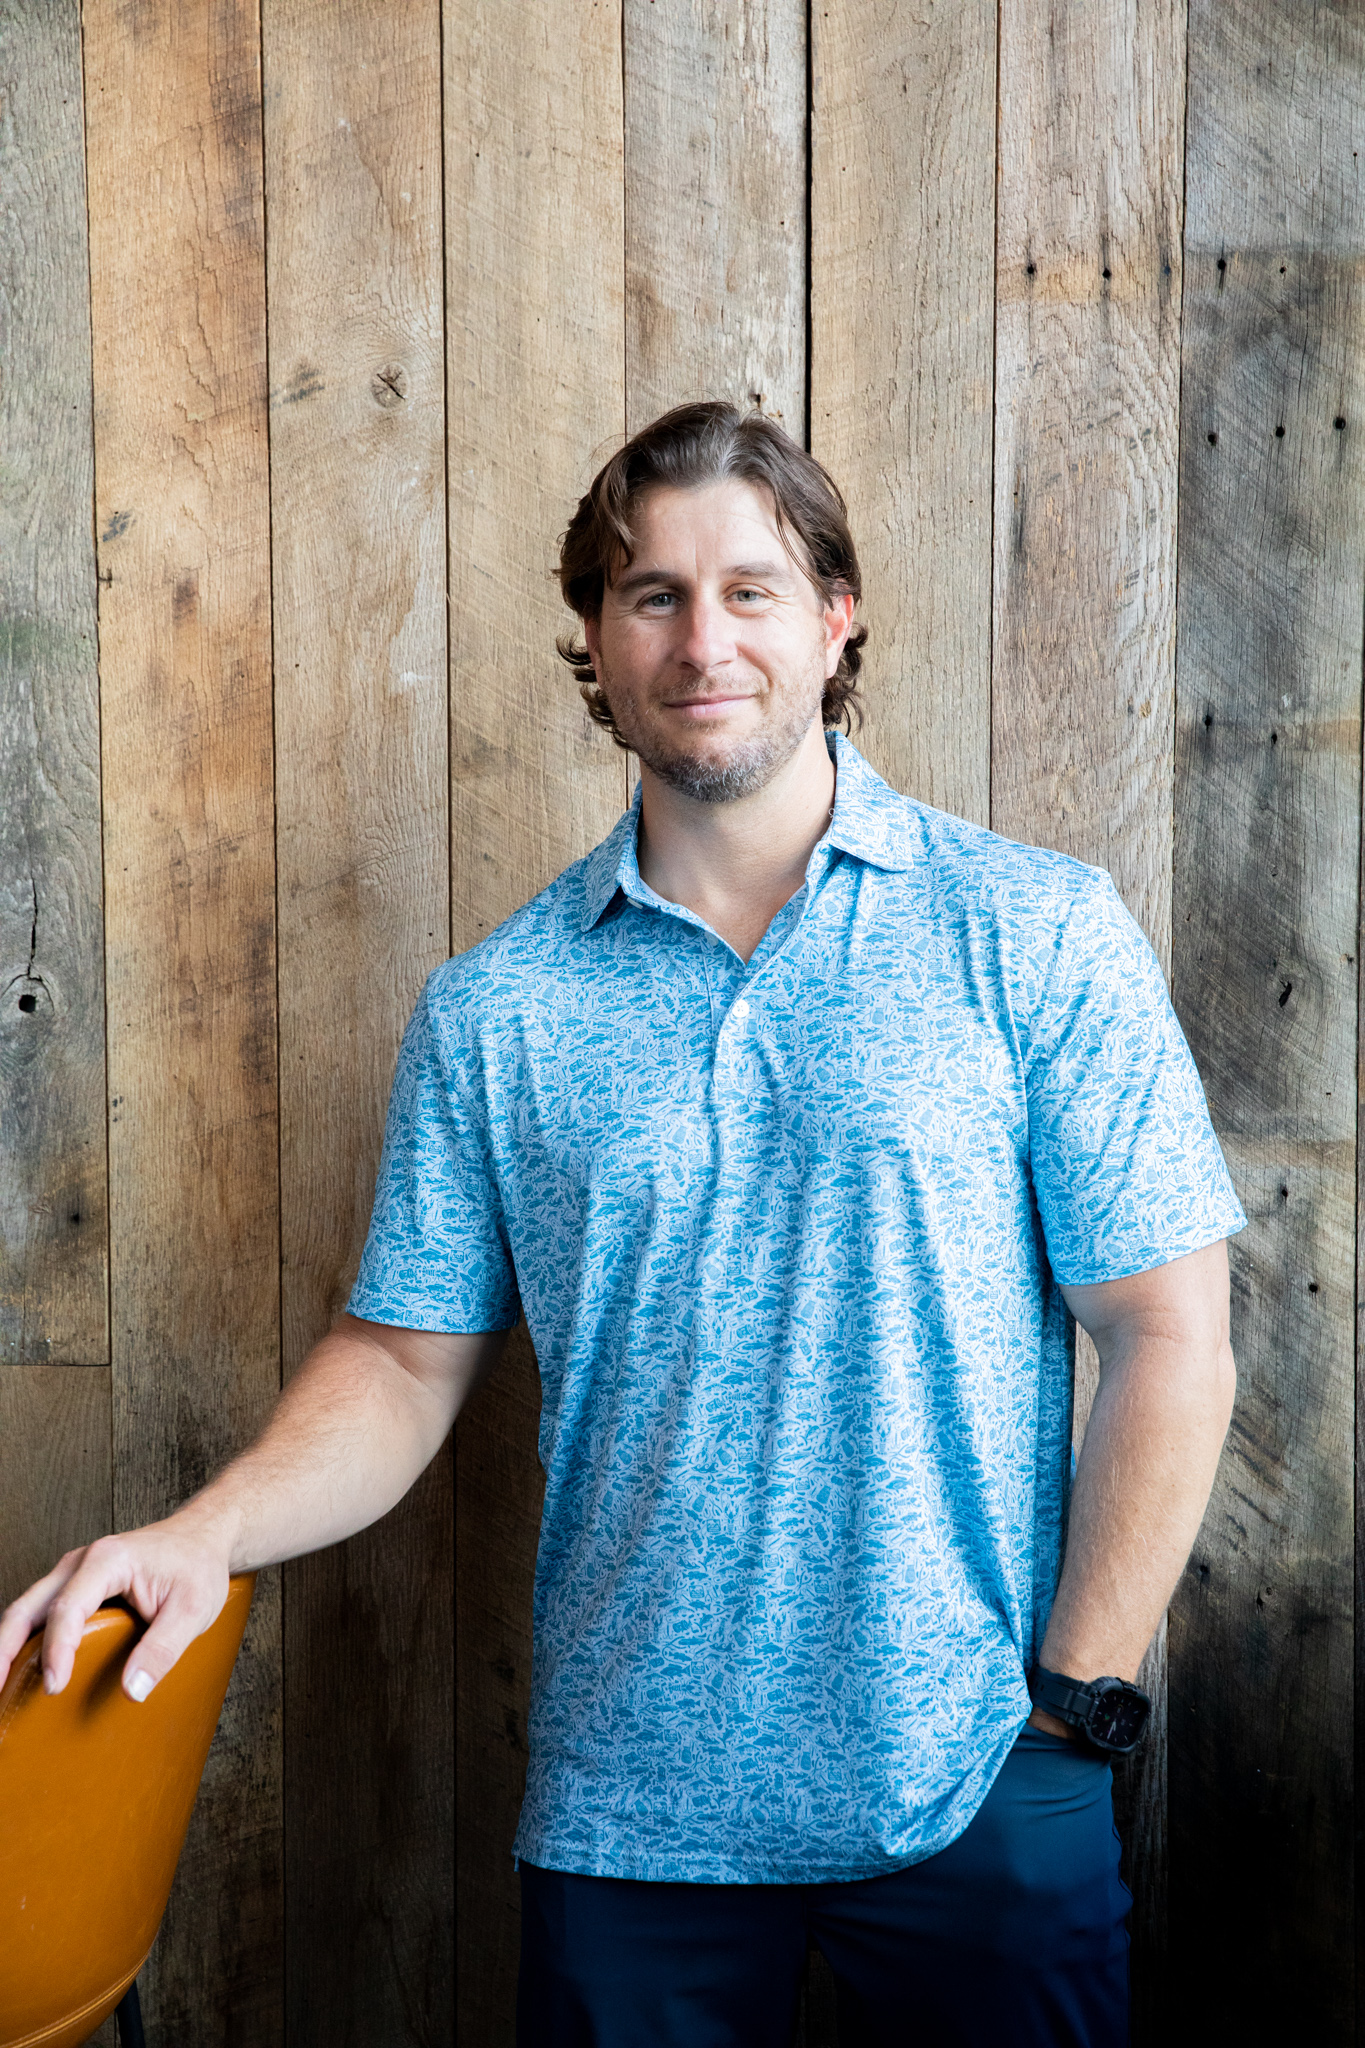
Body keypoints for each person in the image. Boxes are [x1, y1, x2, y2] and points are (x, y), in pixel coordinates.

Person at [0, 402, 1244, 2047]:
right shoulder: (496, 1007)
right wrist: (200, 1533)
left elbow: (1166, 1332)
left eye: (749, 589)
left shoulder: (1033, 933)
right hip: (625, 1818)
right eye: (652, 593)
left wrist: (1072, 1708)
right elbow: (401, 1362)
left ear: (834, 617)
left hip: (973, 1782)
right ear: (595, 634)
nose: (701, 639)